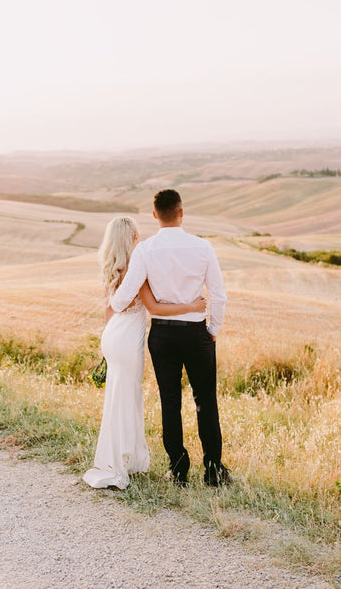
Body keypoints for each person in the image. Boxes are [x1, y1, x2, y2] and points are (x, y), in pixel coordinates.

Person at [111, 189, 230, 487]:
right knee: (206, 401)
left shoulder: (146, 250)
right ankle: (214, 469)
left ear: (154, 215)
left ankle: (178, 469)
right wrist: (212, 329)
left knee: (170, 401)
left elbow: (123, 297)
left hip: (163, 335)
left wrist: (113, 304)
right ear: (181, 212)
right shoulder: (202, 247)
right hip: (196, 333)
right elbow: (218, 294)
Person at [83, 216, 206, 490]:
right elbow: (155, 308)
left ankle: (124, 459)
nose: (140, 240)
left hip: (113, 336)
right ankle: (120, 465)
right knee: (127, 398)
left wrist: (105, 346)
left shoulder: (113, 269)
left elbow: (108, 309)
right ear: (130, 239)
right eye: (137, 236)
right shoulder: (134, 269)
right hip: (127, 341)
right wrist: (191, 305)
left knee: (119, 398)